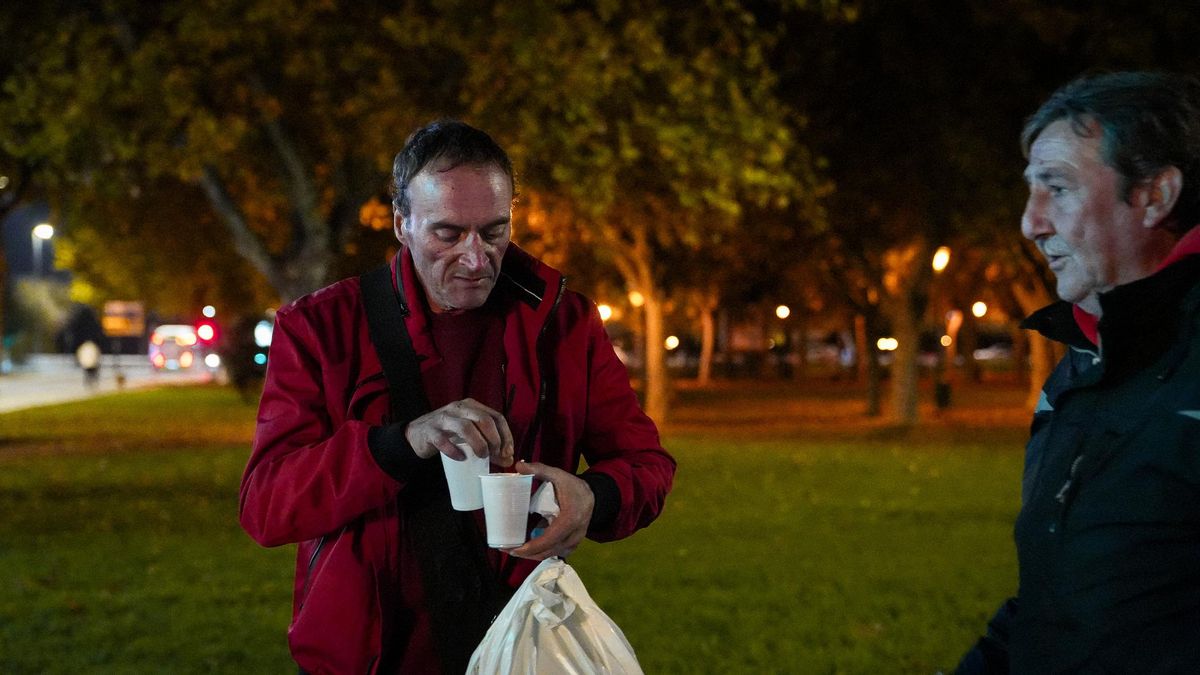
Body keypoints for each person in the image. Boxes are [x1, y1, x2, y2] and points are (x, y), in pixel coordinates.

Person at [238, 120, 676, 674]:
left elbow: (647, 464)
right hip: (367, 658)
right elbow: (266, 505)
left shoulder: (563, 323)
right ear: (402, 223)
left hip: (517, 648)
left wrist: (594, 499)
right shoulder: (320, 328)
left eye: (494, 232)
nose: (476, 259)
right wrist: (402, 443)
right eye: (448, 234)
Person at [955, 72, 1200, 673]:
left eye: (1057, 188)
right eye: (1031, 190)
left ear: (1154, 195)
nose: (1031, 223)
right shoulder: (1080, 368)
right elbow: (1058, 598)